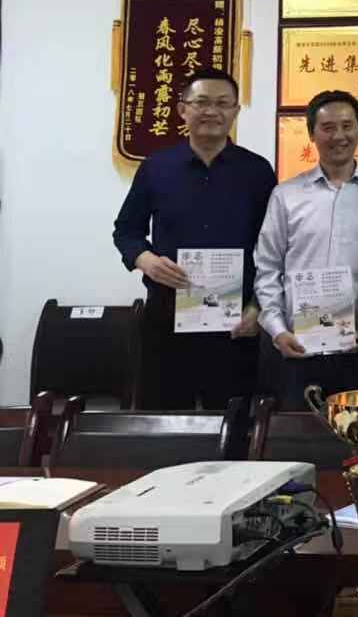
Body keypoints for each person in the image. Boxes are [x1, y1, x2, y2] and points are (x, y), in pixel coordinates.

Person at [112, 67, 276, 408]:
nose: (212, 111)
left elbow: (273, 249)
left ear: (235, 111)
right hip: (167, 317)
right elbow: (126, 230)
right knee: (165, 423)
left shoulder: (257, 171)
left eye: (223, 103)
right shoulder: (156, 167)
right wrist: (146, 260)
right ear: (182, 109)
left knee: (234, 422)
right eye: (201, 102)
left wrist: (258, 307)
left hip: (235, 323)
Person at [254, 91, 358, 408]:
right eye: (328, 128)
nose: (339, 136)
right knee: (298, 434)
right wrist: (278, 331)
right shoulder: (286, 195)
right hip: (298, 346)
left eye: (347, 126)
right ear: (311, 134)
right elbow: (268, 269)